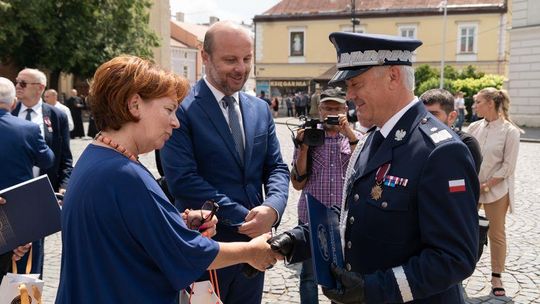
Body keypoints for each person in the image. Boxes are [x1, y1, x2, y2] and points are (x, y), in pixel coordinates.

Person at [269, 32, 479, 303]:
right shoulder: (372, 140)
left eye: (356, 83)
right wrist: (297, 240)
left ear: (393, 76)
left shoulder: (440, 151)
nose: (350, 95)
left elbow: (455, 257)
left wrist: (373, 289)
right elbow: (352, 216)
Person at [55, 55, 280, 303]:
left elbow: (131, 234)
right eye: (169, 109)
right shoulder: (124, 174)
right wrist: (250, 251)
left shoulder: (97, 156)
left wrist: (177, 223)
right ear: (135, 105)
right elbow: (186, 253)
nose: (175, 122)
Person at [160, 21, 290, 303]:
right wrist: (247, 217)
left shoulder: (260, 109)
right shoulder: (181, 109)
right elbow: (183, 179)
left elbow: (277, 167)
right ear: (205, 57)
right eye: (230, 60)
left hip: (254, 249)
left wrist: (273, 208)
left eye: (246, 59)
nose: (241, 68)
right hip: (205, 246)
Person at [291, 88, 360, 304]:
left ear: (345, 110)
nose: (331, 112)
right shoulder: (309, 136)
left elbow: (360, 170)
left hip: (342, 219)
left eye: (337, 108)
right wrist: (303, 148)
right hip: (312, 216)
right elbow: (297, 182)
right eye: (327, 108)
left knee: (341, 274)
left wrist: (348, 132)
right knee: (309, 276)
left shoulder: (355, 138)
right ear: (319, 110)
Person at [12, 68, 73, 275]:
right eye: (17, 82)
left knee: (34, 255)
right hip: (9, 195)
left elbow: (65, 156)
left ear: (40, 88)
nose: (17, 87)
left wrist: (63, 187)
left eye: (22, 83)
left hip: (39, 195)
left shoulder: (55, 115)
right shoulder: (9, 113)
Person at [468, 87, 521, 297]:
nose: (475, 106)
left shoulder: (510, 131)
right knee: (465, 229)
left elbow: (508, 167)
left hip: (497, 190)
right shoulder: (473, 127)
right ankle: (461, 269)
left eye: (478, 102)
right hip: (472, 188)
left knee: (496, 234)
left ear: (490, 103)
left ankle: (496, 276)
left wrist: (486, 185)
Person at [0, 77, 53, 278]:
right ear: (13, 103)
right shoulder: (27, 129)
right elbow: (47, 160)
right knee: (22, 278)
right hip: (20, 213)